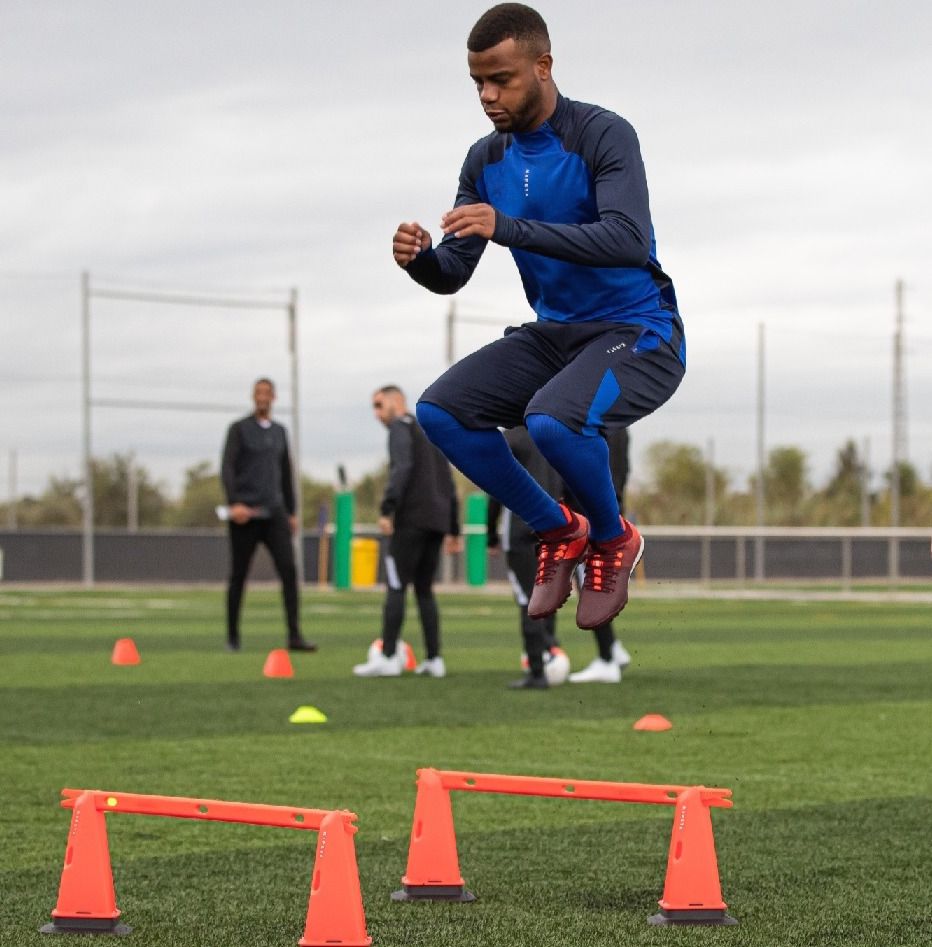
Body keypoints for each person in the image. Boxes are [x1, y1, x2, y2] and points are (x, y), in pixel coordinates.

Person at [392, 3, 684, 633]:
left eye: (502, 79)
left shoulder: (603, 133)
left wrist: (512, 227)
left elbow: (627, 239)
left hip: (640, 333)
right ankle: (560, 527)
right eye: (477, 83)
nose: (488, 96)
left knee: (552, 422)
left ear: (543, 65)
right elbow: (455, 272)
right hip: (557, 336)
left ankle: (613, 540)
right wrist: (421, 262)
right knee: (440, 412)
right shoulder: (484, 161)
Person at [487, 426, 632, 688]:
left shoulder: (511, 438)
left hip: (523, 527)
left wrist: (490, 532)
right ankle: (574, 652)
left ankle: (538, 669)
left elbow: (496, 487)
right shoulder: (553, 434)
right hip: (557, 525)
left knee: (527, 596)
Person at [352, 386, 462, 678]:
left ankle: (388, 656)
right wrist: (453, 527)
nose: (376, 413)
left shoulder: (399, 429)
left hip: (411, 519)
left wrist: (388, 508)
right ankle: (435, 659)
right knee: (425, 590)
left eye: (379, 404)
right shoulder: (429, 430)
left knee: (396, 584)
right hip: (436, 521)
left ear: (396, 401)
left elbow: (402, 467)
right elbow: (448, 480)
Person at [221, 378, 316, 653]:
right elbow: (227, 468)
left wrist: (292, 511)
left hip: (275, 513)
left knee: (289, 570)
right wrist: (234, 503)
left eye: (267, 393)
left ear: (273, 397)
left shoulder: (280, 432)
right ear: (253, 397)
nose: (262, 397)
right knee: (238, 575)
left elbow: (286, 473)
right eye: (258, 393)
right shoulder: (238, 430)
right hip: (245, 514)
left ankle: (294, 636)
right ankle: (232, 637)